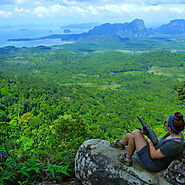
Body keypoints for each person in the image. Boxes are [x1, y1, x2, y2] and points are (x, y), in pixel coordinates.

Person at [110, 112, 185, 172]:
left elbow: (153, 155)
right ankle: (120, 144)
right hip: (153, 151)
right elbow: (162, 141)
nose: (164, 123)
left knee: (136, 133)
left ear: (169, 128)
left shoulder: (173, 145)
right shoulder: (176, 134)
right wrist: (149, 135)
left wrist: (149, 142)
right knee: (130, 135)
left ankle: (127, 158)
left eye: (166, 122)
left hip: (152, 163)